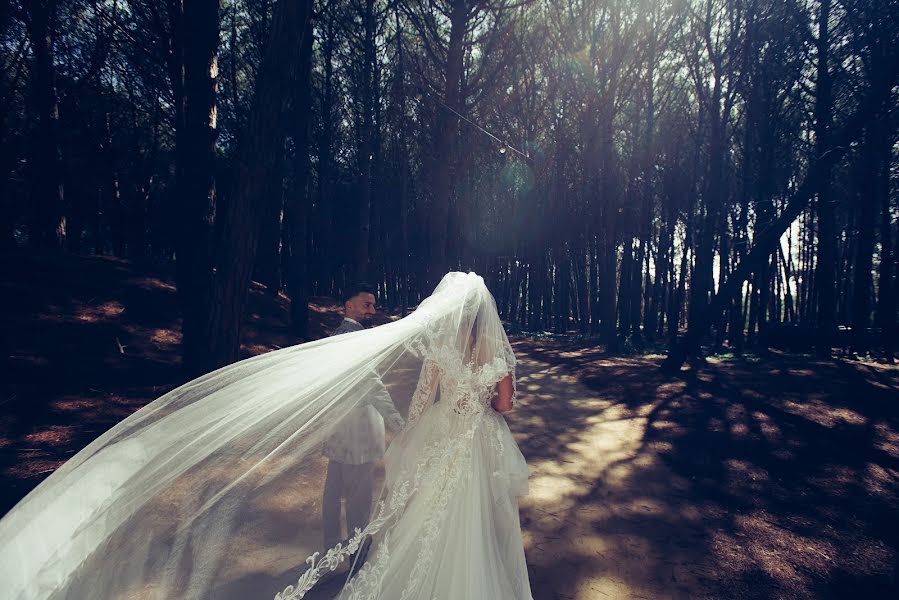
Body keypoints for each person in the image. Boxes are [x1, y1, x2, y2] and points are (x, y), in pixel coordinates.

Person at [0, 272, 531, 600]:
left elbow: (420, 404)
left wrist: (412, 432)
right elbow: (503, 405)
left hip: (440, 438)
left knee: (424, 520)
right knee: (476, 519)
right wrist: (479, 400)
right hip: (470, 441)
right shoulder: (496, 355)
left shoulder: (438, 351)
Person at [322, 284, 405, 550]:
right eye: (366, 305)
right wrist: (399, 424)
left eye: (373, 305)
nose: (372, 310)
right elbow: (373, 386)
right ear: (349, 305)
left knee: (333, 490)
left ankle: (331, 546)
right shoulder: (355, 337)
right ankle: (356, 553)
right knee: (358, 496)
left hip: (338, 427)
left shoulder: (336, 333)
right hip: (358, 430)